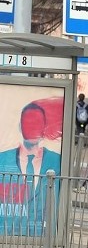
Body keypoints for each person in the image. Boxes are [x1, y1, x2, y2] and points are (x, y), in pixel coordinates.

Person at [0, 101, 62, 235]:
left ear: (44, 127)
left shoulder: (57, 161)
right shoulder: (2, 159)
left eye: (37, 123)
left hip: (42, 234)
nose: (33, 128)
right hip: (7, 233)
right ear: (20, 126)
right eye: (28, 122)